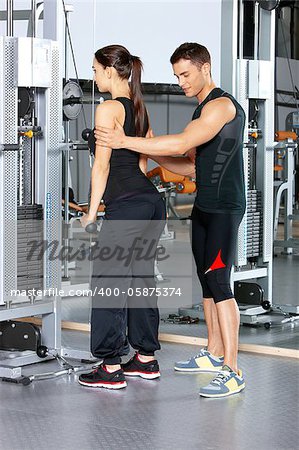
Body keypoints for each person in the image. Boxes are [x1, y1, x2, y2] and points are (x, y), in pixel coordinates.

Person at [95, 42, 246, 398]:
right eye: (177, 75)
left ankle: (234, 370)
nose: (181, 82)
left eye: (186, 74)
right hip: (205, 206)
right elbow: (190, 164)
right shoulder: (200, 111)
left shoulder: (221, 106)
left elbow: (179, 144)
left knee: (220, 282)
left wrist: (126, 140)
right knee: (206, 281)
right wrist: (143, 149)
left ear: (205, 68)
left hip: (225, 207)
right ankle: (213, 352)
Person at [79, 45, 166, 390]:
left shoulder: (108, 109)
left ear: (111, 70)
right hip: (150, 203)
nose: (94, 76)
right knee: (141, 280)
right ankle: (144, 359)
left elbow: (102, 165)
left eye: (96, 70)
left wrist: (90, 213)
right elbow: (143, 161)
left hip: (127, 206)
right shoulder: (141, 109)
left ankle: (111, 366)